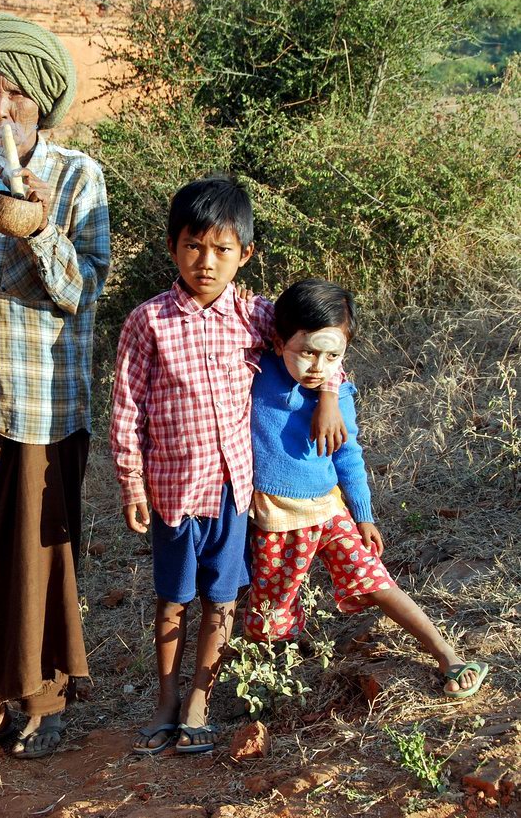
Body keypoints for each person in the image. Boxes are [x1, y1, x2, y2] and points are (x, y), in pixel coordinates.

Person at [110, 175, 347, 755]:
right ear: (172, 248)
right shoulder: (149, 322)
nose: (206, 262)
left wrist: (330, 395)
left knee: (222, 597)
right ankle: (166, 699)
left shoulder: (257, 316)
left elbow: (316, 346)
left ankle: (199, 699)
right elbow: (127, 406)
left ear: (245, 254)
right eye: (193, 246)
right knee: (173, 596)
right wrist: (131, 482)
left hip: (232, 493)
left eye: (221, 250)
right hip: (171, 491)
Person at [0, 12, 110, 768]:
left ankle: (43, 699)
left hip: (46, 380)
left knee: (43, 544)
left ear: (41, 98)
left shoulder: (79, 176)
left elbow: (84, 289)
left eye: (12, 95)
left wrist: (38, 226)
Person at [245, 277, 488, 698]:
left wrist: (364, 514)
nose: (319, 367)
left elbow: (348, 457)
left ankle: (446, 653)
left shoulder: (339, 396)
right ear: (280, 340)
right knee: (271, 609)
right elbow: (251, 312)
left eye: (332, 356)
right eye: (307, 353)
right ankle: (272, 686)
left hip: (330, 509)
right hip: (275, 516)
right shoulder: (257, 371)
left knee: (376, 581)